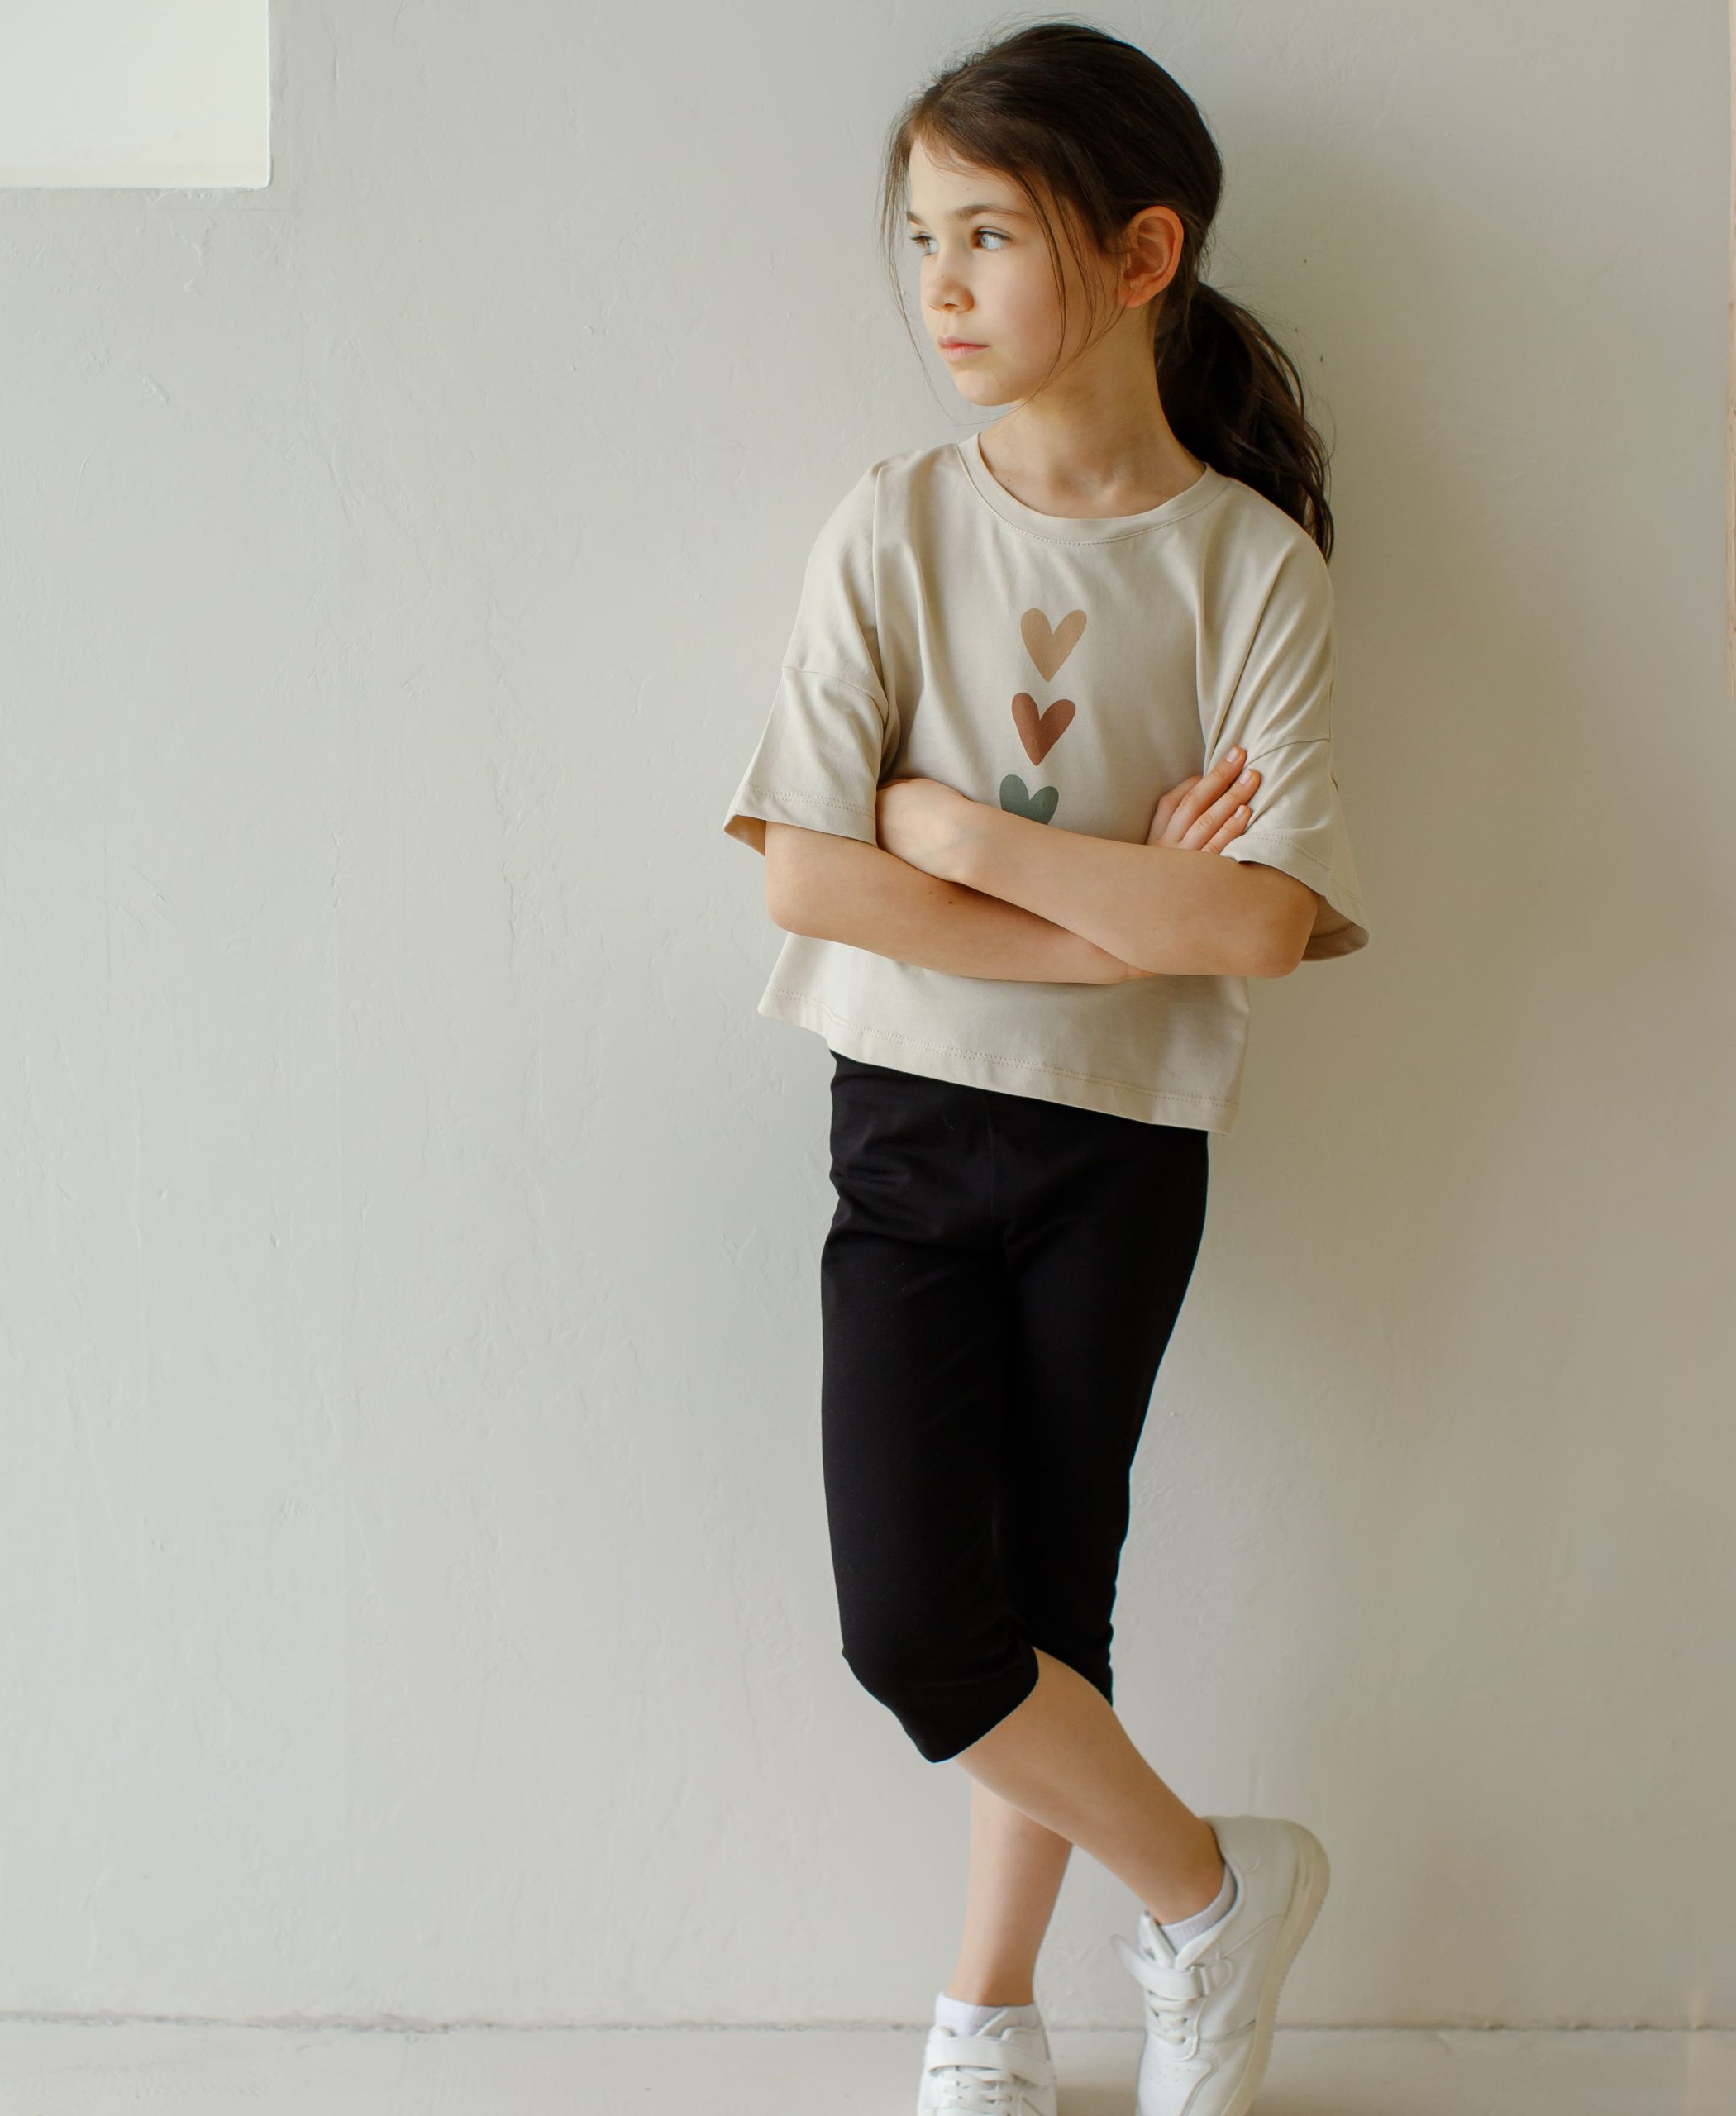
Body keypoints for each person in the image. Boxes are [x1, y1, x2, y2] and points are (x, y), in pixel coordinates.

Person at [718, 22, 1372, 2116]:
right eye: (920, 236)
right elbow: (807, 877)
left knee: (1045, 1601)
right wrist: (1116, 912)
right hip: (906, 1131)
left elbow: (1255, 922)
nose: (937, 282)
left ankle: (985, 2010)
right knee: (918, 1622)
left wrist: (961, 833)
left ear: (1140, 253)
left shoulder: (1249, 566)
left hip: (1123, 1147)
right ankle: (1207, 1895)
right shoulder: (890, 524)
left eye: (987, 235)